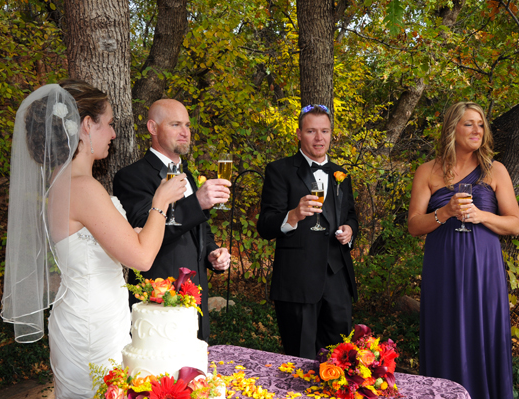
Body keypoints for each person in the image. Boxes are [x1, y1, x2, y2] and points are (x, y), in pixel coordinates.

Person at [1, 81, 187, 398]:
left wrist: (136, 234)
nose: (113, 134)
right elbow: (141, 259)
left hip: (83, 315)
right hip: (93, 325)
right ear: (87, 125)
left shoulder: (61, 184)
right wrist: (161, 200)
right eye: (110, 123)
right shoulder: (84, 188)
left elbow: (108, 243)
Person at [408, 102, 519, 399]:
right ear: (452, 129)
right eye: (469, 124)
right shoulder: (427, 171)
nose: (477, 130)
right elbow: (414, 225)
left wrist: (482, 216)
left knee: (484, 334)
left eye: (481, 124)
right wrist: (444, 212)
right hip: (442, 267)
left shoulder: (495, 170)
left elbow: (515, 224)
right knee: (446, 333)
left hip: (484, 269)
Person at [113, 99, 231, 341]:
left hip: (196, 298)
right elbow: (147, 233)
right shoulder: (132, 177)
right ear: (153, 128)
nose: (185, 132)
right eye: (175, 124)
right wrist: (197, 202)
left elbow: (200, 230)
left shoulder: (188, 174)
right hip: (159, 298)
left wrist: (213, 252)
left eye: (187, 125)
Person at [256, 104, 358, 359]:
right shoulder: (279, 171)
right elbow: (265, 225)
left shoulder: (341, 174)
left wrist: (349, 231)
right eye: (311, 131)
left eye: (324, 131)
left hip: (337, 279)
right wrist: (294, 215)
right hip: (297, 281)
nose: (319, 138)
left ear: (331, 134)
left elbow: (352, 217)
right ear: (299, 135)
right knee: (299, 360)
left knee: (341, 361)